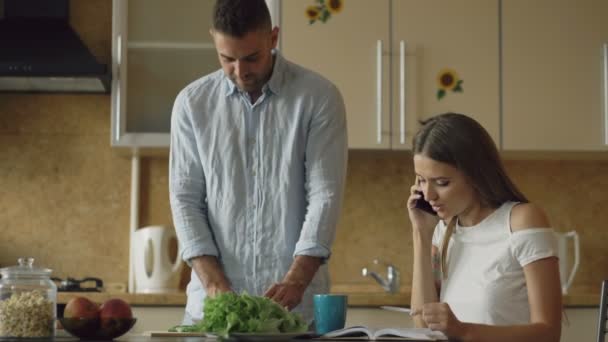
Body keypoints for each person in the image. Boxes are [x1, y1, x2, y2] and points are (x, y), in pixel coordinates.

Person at [168, 0, 347, 324]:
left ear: (273, 38)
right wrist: (214, 282)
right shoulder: (191, 104)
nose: (240, 71)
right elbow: (185, 199)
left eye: (252, 57)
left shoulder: (318, 98)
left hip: (295, 313)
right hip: (211, 311)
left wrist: (296, 279)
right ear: (214, 40)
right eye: (227, 59)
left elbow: (325, 194)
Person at [408, 113, 562, 341]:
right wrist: (421, 233)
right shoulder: (442, 231)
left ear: (475, 174)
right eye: (421, 180)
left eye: (442, 183)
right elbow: (422, 324)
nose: (429, 195)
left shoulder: (522, 221)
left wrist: (463, 331)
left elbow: (548, 333)